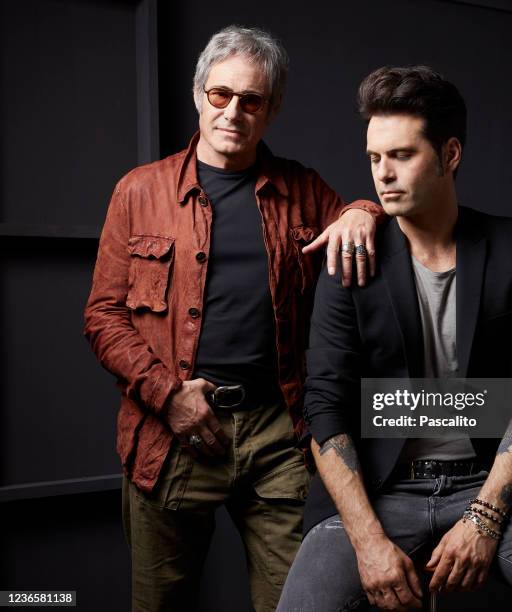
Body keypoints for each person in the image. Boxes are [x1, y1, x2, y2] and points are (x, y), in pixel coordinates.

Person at [277, 65, 512, 611]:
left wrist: (484, 517)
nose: (382, 174)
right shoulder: (350, 259)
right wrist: (367, 542)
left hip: (486, 482)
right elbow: (326, 410)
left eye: (402, 155)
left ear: (449, 155)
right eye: (374, 158)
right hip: (379, 492)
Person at [83, 25, 384, 612]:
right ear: (199, 96)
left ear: (270, 110)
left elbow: (353, 213)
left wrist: (363, 210)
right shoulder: (138, 192)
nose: (233, 113)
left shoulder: (302, 188)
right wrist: (167, 396)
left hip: (280, 433)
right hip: (172, 432)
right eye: (221, 95)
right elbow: (103, 315)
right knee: (160, 603)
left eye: (251, 101)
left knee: (300, 602)